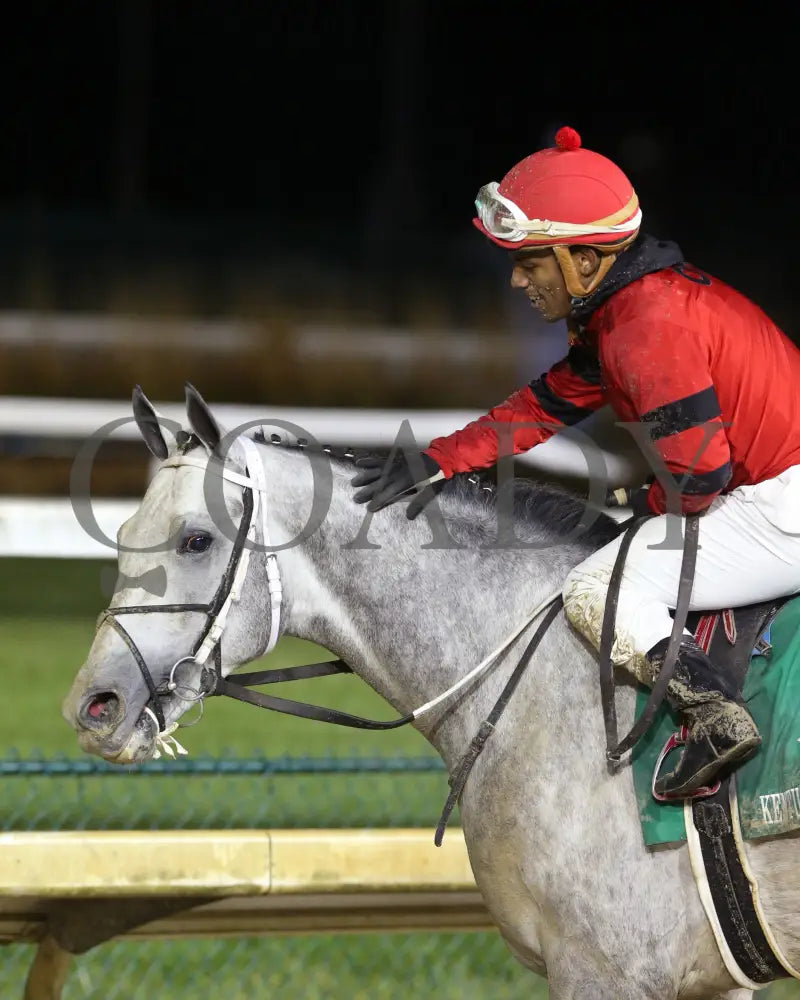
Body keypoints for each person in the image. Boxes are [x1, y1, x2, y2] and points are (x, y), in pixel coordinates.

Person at [351, 125, 800, 798]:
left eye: (530, 262)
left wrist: (637, 507)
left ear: (583, 261)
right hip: (769, 485)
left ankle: (715, 716)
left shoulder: (646, 326)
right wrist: (440, 460)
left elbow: (699, 479)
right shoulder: (628, 306)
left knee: (595, 590)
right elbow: (547, 405)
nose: (517, 278)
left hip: (776, 504)